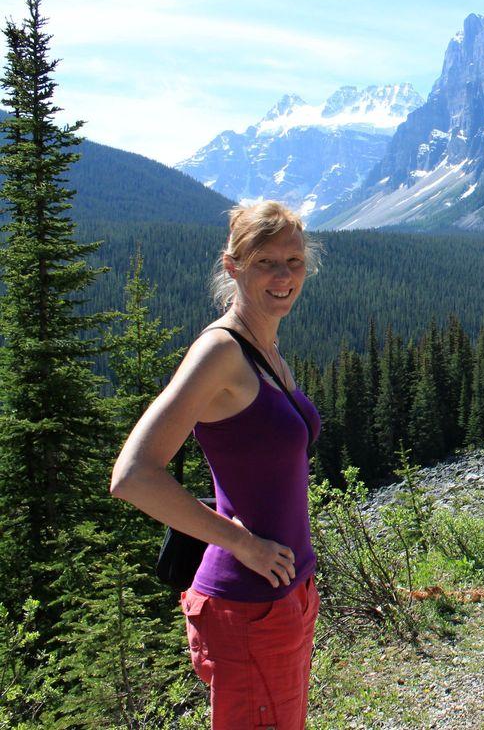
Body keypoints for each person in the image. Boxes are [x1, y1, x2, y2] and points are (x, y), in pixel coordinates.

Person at [111, 201, 323, 729]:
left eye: (294, 261)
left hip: (286, 595)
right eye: (265, 263)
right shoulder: (220, 352)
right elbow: (132, 475)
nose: (284, 276)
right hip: (245, 604)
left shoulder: (266, 348)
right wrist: (241, 543)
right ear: (232, 266)